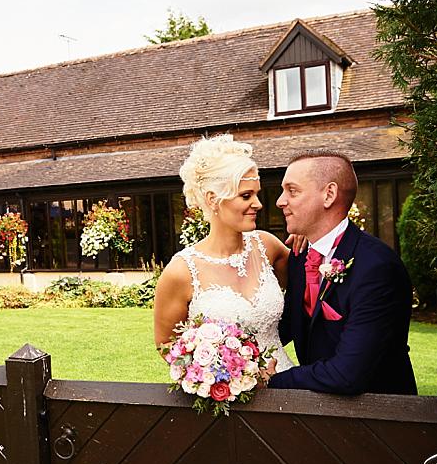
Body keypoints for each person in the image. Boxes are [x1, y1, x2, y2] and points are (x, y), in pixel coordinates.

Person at [268, 150, 417, 395]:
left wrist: (273, 380)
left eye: (292, 191)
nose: (280, 201)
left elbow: (347, 374)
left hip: (381, 419)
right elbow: (286, 325)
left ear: (329, 195)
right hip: (319, 416)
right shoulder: (299, 255)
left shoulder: (376, 267)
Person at [154, 135, 304, 371]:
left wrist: (308, 235)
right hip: (229, 397)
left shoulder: (268, 246)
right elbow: (166, 344)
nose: (258, 204)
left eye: (256, 194)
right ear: (213, 199)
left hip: (287, 382)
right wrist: (219, 376)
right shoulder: (181, 271)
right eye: (246, 196)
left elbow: (310, 286)